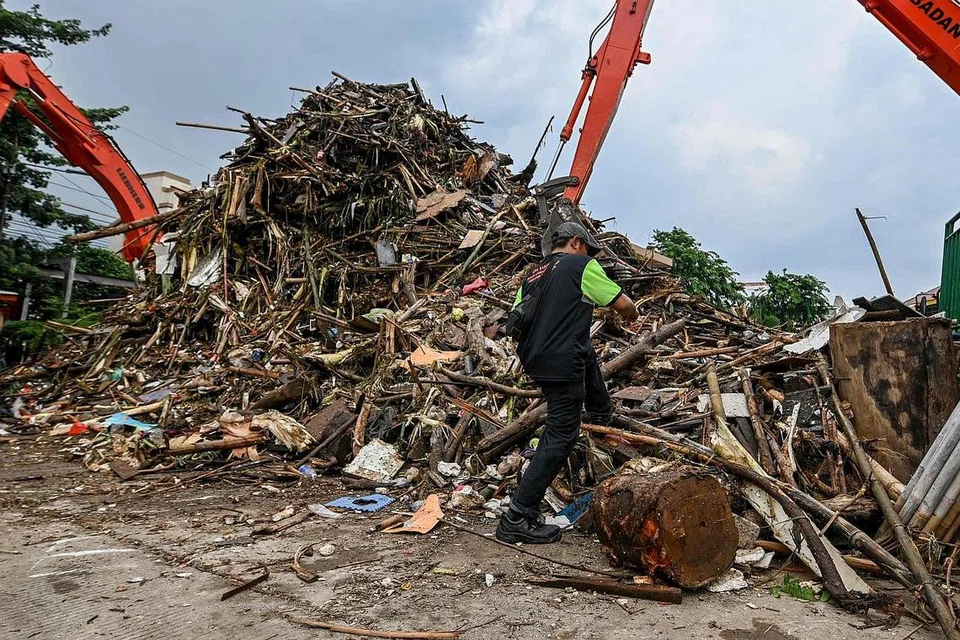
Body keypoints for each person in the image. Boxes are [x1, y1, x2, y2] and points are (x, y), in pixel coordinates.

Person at [497, 221, 639, 544]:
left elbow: (515, 321)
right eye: (588, 249)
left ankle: (601, 410)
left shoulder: (533, 274)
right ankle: (517, 515)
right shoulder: (581, 266)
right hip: (562, 363)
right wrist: (631, 316)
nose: (590, 256)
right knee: (562, 434)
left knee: (585, 348)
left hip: (536, 359)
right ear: (576, 243)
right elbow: (624, 305)